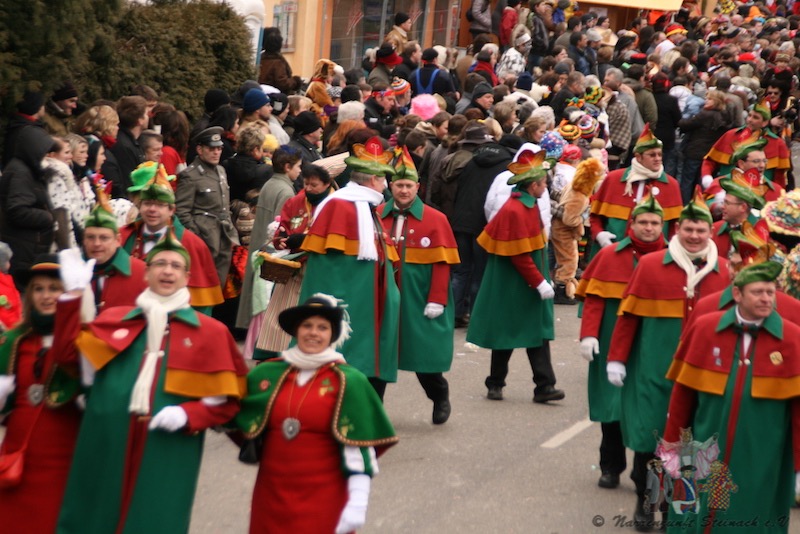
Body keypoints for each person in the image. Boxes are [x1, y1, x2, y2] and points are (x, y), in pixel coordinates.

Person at [57, 233, 248, 534]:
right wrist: (72, 298)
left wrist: (188, 415)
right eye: (159, 264)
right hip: (107, 439)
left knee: (156, 519)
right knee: (94, 517)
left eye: (175, 266)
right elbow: (68, 358)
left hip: (169, 446)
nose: (167, 271)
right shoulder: (115, 319)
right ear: (146, 274)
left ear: (187, 278)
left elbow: (227, 402)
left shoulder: (211, 333)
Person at [606, 188, 730, 531]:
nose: (694, 236)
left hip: (702, 375)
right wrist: (616, 358)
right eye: (688, 229)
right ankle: (645, 503)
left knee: (690, 446)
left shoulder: (725, 272)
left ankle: (674, 513)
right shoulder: (650, 266)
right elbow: (628, 316)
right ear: (677, 230)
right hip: (654, 370)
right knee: (650, 439)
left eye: (701, 230)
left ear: (710, 232)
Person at [662, 239, 800, 532]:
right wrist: (671, 447)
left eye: (771, 292)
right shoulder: (705, 328)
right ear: (737, 294)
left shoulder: (792, 339)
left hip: (763, 456)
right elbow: (682, 397)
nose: (766, 299)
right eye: (758, 292)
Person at [233, 294, 398, 533]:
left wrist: (358, 502)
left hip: (325, 497)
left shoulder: (348, 381)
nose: (313, 332)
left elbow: (359, 447)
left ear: (333, 335)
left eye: (322, 327)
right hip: (271, 495)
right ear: (296, 330)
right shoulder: (267, 373)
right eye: (307, 325)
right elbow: (233, 415)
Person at [298, 137, 400, 399]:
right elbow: (330, 269)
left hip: (370, 304)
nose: (385, 185)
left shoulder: (366, 206)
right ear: (373, 179)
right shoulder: (339, 206)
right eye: (383, 179)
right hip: (352, 306)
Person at [576, 194, 666, 490]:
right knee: (612, 407)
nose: (649, 228)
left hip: (652, 345)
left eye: (654, 223)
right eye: (643, 222)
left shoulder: (672, 259)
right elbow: (594, 299)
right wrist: (589, 333)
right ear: (632, 224)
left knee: (648, 409)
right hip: (611, 338)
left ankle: (644, 472)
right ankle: (610, 467)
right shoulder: (610, 255)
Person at [467, 148, 564, 403]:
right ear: (533, 185)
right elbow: (519, 254)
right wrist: (539, 282)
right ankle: (497, 383)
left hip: (524, 279)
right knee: (508, 332)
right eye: (543, 183)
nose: (545, 187)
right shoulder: (516, 210)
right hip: (515, 282)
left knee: (535, 332)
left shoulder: (526, 204)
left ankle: (544, 385)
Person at [0, 253, 84, 533]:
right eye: (38, 289)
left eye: (54, 289)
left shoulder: (84, 341)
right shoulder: (15, 341)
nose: (46, 296)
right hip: (17, 458)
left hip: (64, 460)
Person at [378, 147, 459, 424]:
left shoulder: (436, 220)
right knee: (378, 356)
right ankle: (373, 409)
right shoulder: (377, 214)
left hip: (419, 298)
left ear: (418, 187)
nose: (403, 191)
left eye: (408, 186)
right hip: (385, 297)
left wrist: (437, 298)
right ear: (390, 186)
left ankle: (439, 396)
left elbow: (443, 263)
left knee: (424, 357)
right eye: (399, 185)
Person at [119, 165, 223, 313]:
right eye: (147, 203)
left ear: (171, 210)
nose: (152, 209)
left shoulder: (193, 245)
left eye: (160, 205)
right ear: (139, 206)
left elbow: (202, 306)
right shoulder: (122, 237)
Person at [589, 125, 683, 259]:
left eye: (659, 154)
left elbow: (675, 227)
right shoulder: (614, 179)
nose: (657, 158)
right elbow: (595, 215)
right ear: (638, 157)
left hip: (654, 258)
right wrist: (599, 234)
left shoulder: (671, 185)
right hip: (614, 254)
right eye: (652, 155)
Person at [176, 126, 239, 285]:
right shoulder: (190, 175)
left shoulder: (221, 170)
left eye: (219, 148)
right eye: (211, 149)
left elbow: (224, 205)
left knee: (218, 286)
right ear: (200, 150)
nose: (216, 152)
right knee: (202, 285)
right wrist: (196, 236)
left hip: (224, 237)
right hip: (204, 239)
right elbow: (182, 211)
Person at [0, 126, 56, 288]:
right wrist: (47, 217)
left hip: (27, 248)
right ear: (34, 150)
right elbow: (17, 210)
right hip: (23, 249)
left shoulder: (27, 170)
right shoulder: (20, 172)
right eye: (45, 153)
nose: (48, 158)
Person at [550, 158, 604, 304]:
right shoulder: (579, 196)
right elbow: (569, 219)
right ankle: (562, 290)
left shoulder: (573, 187)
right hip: (564, 231)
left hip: (560, 229)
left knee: (567, 259)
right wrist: (583, 217)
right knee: (569, 260)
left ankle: (567, 286)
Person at [702, 100, 791, 189]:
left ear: (765, 122)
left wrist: (777, 194)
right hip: (727, 190)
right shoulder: (730, 135)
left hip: (759, 192)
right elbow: (709, 161)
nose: (749, 120)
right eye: (749, 115)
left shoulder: (777, 143)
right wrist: (707, 178)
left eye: (755, 117)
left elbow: (780, 178)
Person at [710, 168, 765, 258]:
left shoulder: (760, 233)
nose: (722, 207)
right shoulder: (714, 230)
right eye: (723, 202)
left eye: (727, 203)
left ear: (743, 207)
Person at [109, 96, 148, 196]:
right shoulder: (124, 146)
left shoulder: (129, 142)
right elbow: (129, 182)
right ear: (140, 120)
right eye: (146, 114)